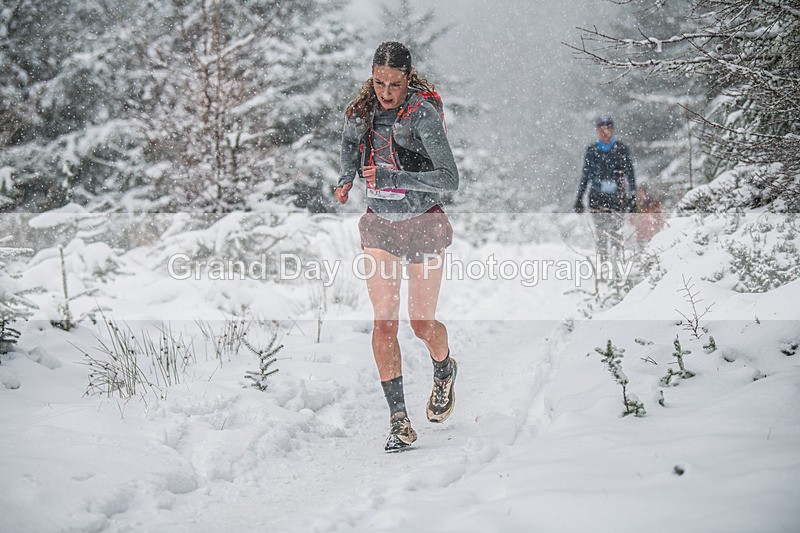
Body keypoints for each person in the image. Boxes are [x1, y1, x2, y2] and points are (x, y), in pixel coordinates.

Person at [335, 41, 459, 452]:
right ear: (371, 77)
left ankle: (444, 368)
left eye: (394, 84)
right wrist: (345, 179)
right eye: (379, 82)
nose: (386, 92)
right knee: (384, 322)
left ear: (408, 78)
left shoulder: (422, 115)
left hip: (424, 223)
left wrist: (394, 178)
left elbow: (449, 179)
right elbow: (348, 146)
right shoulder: (361, 112)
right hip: (380, 225)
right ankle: (399, 420)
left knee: (421, 324)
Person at [574, 115, 637, 261]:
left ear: (612, 130)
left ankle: (617, 266)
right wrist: (579, 198)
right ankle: (603, 265)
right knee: (601, 234)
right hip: (597, 198)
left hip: (617, 198)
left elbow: (630, 175)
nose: (604, 132)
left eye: (607, 129)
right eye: (600, 129)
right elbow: (585, 176)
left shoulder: (621, 149)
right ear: (597, 131)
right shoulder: (592, 150)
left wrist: (633, 196)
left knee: (616, 233)